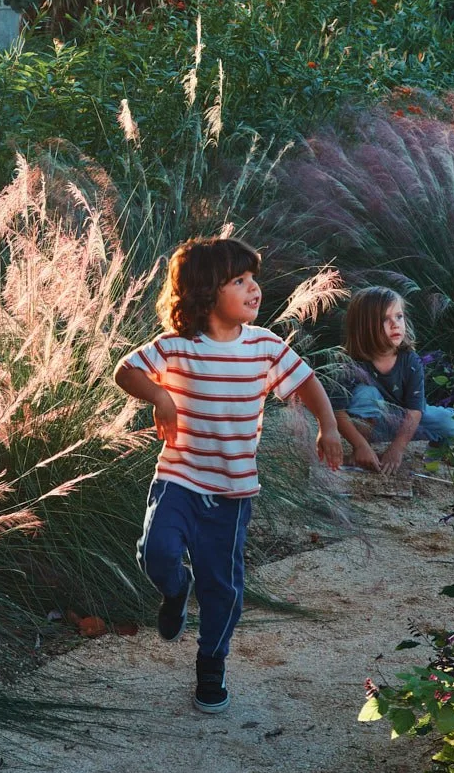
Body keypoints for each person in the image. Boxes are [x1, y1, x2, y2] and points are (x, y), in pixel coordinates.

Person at [114, 235, 344, 716]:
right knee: (157, 553)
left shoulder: (263, 347)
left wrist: (328, 427)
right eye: (239, 280)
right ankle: (175, 591)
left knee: (222, 587)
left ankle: (212, 663)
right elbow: (126, 371)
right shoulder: (177, 346)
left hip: (233, 492)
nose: (253, 288)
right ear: (205, 292)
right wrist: (159, 396)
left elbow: (305, 381)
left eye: (253, 279)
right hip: (178, 477)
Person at [331, 287, 454, 475]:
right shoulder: (349, 364)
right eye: (385, 319)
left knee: (449, 422)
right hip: (376, 424)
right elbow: (338, 411)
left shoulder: (410, 361)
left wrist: (397, 449)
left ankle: (440, 443)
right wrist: (359, 445)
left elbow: (415, 411)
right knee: (366, 393)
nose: (395, 325)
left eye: (399, 316)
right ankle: (362, 450)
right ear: (364, 326)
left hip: (409, 421)